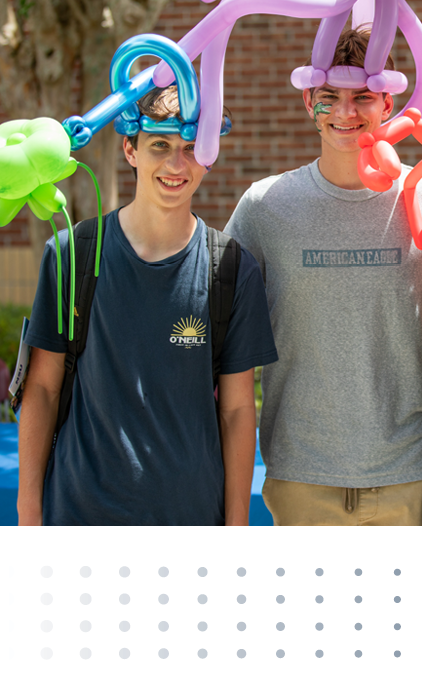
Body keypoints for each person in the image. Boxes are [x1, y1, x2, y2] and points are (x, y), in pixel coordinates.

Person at [17, 87, 278, 526]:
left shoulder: (231, 268)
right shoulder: (72, 255)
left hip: (190, 518)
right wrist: (29, 512)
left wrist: (237, 528)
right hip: (79, 515)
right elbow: (41, 390)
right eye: (160, 145)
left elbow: (236, 411)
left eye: (192, 148)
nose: (177, 164)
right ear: (130, 149)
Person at [225, 27, 422, 526]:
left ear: (388, 103)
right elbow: (218, 328)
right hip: (301, 475)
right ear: (309, 101)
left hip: (412, 472)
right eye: (331, 98)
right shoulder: (265, 206)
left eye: (363, 98)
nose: (346, 113)